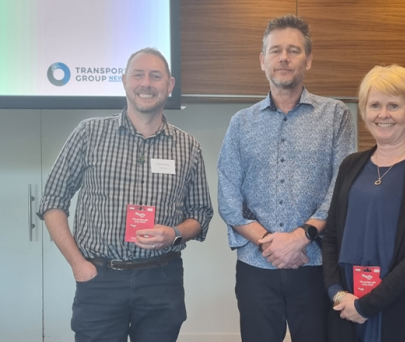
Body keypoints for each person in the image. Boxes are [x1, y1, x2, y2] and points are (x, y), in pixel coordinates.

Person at [37, 47, 213, 342]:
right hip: (100, 277)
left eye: (155, 76)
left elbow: (201, 214)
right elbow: (52, 201)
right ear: (124, 81)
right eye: (138, 75)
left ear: (169, 86)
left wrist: (174, 233)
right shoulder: (89, 133)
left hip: (162, 279)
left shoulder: (188, 146)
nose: (146, 83)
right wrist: (78, 265)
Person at [217, 14, 356, 342]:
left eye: (293, 50)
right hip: (255, 266)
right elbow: (227, 195)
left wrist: (300, 237)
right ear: (262, 60)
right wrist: (270, 242)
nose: (283, 57)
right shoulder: (241, 123)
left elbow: (342, 185)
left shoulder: (336, 115)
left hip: (315, 264)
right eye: (275, 50)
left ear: (308, 59)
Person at [322, 64, 405, 342]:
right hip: (347, 308)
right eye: (375, 105)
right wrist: (338, 293)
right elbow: (330, 236)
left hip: (402, 310)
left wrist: (367, 305)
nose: (383, 114)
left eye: (394, 105)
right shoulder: (350, 166)